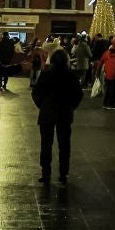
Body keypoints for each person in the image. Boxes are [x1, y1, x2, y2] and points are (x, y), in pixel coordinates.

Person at [33, 50, 84, 185]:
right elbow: (78, 95)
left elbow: (36, 93)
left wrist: (42, 106)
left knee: (46, 144)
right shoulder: (71, 76)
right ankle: (63, 173)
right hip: (64, 113)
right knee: (64, 144)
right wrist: (71, 106)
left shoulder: (46, 75)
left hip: (47, 112)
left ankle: (46, 172)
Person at [99, 37, 115, 110]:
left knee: (108, 90)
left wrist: (98, 73)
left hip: (108, 75)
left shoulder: (106, 53)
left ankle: (106, 103)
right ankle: (114, 103)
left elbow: (101, 62)